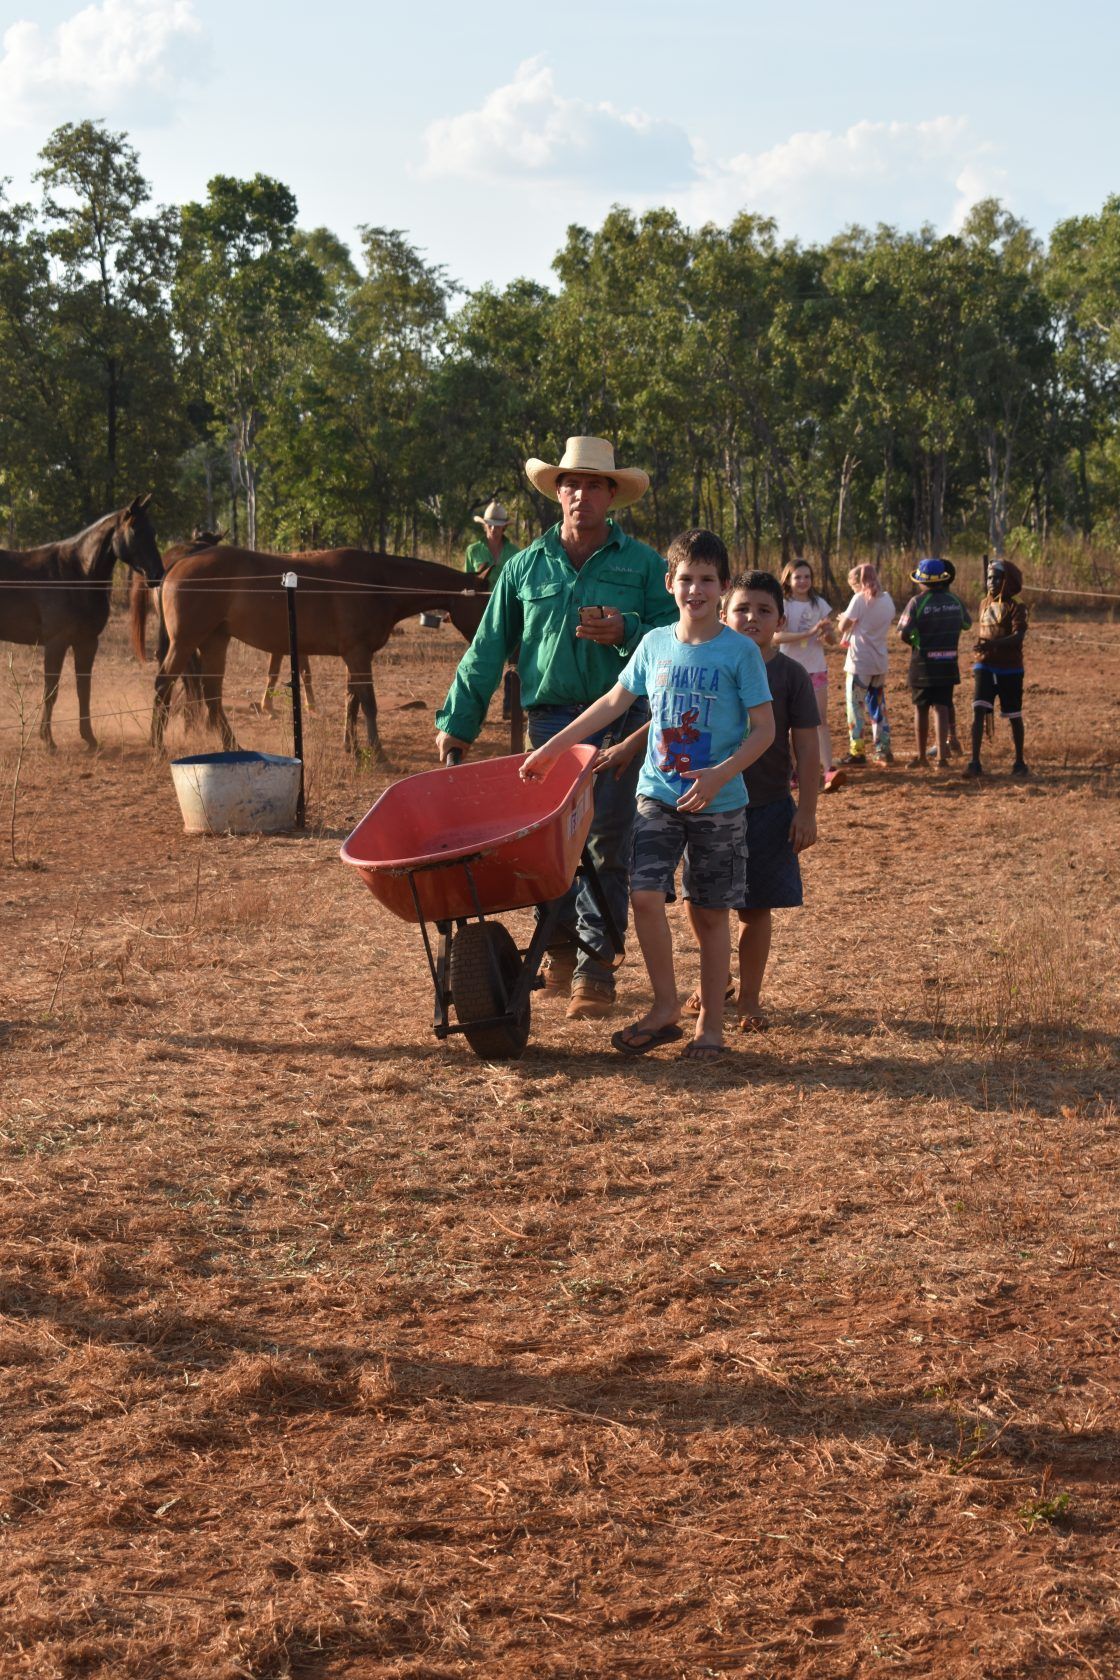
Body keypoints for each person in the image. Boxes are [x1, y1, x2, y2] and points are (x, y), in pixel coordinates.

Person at [436, 436, 676, 1020]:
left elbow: (677, 633)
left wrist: (627, 627)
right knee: (550, 845)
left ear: (612, 495)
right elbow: (488, 649)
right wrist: (457, 721)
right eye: (572, 484)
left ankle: (597, 967)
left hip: (624, 717)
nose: (582, 495)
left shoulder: (643, 564)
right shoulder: (523, 566)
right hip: (549, 721)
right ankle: (560, 950)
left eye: (595, 485)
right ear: (557, 493)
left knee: (609, 836)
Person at [520, 530, 775, 1061]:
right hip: (657, 794)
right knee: (644, 896)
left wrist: (719, 776)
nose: (696, 590)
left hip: (719, 801)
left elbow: (764, 731)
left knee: (708, 914)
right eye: (686, 579)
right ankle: (664, 1008)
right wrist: (556, 750)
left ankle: (710, 1023)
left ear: (724, 589)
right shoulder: (654, 643)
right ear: (670, 584)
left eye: (707, 580)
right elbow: (614, 702)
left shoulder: (740, 652)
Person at [775, 558, 844, 792]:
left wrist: (827, 633)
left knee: (820, 720)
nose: (803, 581)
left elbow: (831, 642)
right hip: (791, 670)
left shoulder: (819, 604)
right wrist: (808, 633)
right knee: (791, 723)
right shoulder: (783, 604)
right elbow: (776, 638)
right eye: (798, 577)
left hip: (816, 668)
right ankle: (793, 771)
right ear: (788, 579)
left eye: (807, 577)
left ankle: (828, 770)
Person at [897, 557, 971, 767]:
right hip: (948, 664)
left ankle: (921, 757)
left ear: (922, 582)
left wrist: (916, 641)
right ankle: (942, 758)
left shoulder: (917, 602)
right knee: (942, 707)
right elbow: (966, 624)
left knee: (921, 708)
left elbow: (904, 632)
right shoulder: (954, 601)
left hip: (923, 664)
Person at [967, 557, 1030, 777]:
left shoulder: (1016, 606)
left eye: (996, 578)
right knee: (978, 709)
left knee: (1014, 715)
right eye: (989, 578)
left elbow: (1018, 636)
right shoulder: (984, 603)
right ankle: (974, 762)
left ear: (1006, 580)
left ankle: (1019, 762)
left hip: (1010, 668)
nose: (991, 582)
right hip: (984, 665)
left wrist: (993, 644)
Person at [837, 562, 895, 765]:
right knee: (878, 705)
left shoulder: (859, 599)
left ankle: (857, 750)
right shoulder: (887, 599)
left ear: (858, 583)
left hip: (860, 661)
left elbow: (843, 625)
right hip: (879, 661)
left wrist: (843, 618)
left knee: (856, 706)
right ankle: (883, 748)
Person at [464, 499, 518, 582]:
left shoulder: (515, 552)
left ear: (504, 527)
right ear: (484, 526)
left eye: (497, 525)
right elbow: (466, 582)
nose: (493, 529)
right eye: (490, 525)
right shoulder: (472, 551)